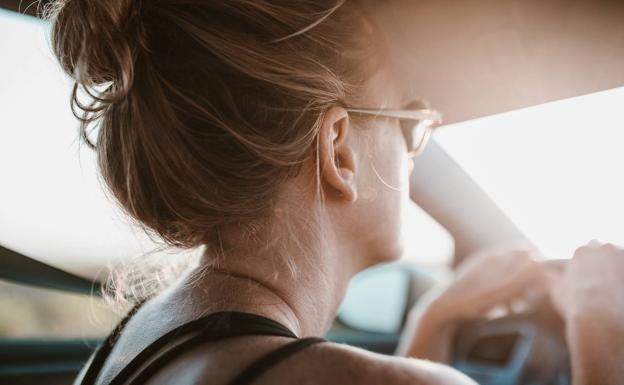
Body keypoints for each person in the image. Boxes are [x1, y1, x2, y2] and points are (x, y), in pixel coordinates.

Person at [46, 0, 624, 384]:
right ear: (340, 150)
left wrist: (435, 319)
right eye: (412, 120)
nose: (413, 149)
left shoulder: (131, 345)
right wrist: (602, 329)